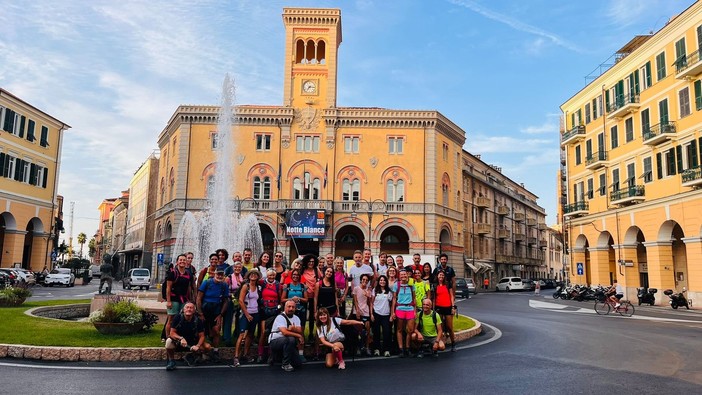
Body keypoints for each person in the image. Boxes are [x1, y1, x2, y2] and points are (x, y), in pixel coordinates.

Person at [196, 268, 229, 362]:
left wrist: (221, 314)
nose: (219, 276)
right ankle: (203, 351)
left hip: (216, 312)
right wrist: (200, 313)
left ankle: (215, 351)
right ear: (214, 274)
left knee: (216, 331)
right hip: (205, 311)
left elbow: (226, 301)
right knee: (203, 332)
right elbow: (199, 298)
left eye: (221, 275)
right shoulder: (207, 282)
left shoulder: (224, 285)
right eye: (218, 274)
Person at [165, 302, 211, 370]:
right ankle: (172, 361)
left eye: (191, 308)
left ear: (194, 311)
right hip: (179, 342)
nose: (189, 309)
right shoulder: (177, 317)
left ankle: (192, 356)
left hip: (193, 342)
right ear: (183, 310)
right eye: (187, 307)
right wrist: (181, 338)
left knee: (207, 347)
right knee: (168, 343)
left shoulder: (198, 320)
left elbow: (202, 336)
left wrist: (197, 346)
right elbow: (172, 333)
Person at [233, 269, 261, 367]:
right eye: (251, 274)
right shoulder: (246, 286)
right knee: (241, 334)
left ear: (258, 277)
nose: (253, 276)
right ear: (248, 276)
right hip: (246, 313)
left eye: (255, 274)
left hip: (255, 313)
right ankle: (236, 357)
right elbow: (241, 301)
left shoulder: (258, 287)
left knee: (250, 334)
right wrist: (247, 314)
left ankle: (246, 354)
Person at [268, 300, 305, 372]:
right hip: (275, 341)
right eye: (289, 307)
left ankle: (278, 357)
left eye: (293, 307)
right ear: (285, 308)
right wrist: (298, 335)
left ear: (295, 308)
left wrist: (293, 328)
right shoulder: (280, 317)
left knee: (298, 364)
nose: (291, 309)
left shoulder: (296, 318)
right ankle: (285, 364)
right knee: (290, 339)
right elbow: (285, 332)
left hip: (286, 342)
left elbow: (300, 330)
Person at [165, 254, 193, 343]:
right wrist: (168, 301)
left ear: (186, 262)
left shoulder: (188, 273)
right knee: (171, 318)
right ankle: (168, 338)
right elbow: (168, 288)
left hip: (184, 299)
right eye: (180, 260)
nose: (182, 261)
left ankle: (179, 337)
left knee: (183, 318)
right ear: (177, 262)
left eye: (184, 260)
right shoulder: (173, 273)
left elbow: (189, 287)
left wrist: (190, 299)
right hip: (174, 299)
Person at [258, 268, 283, 363]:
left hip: (274, 310)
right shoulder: (263, 283)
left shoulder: (277, 285)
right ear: (267, 276)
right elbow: (253, 280)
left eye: (273, 275)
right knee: (264, 332)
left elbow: (280, 297)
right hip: (264, 310)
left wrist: (280, 308)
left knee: (272, 333)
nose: (271, 277)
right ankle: (260, 354)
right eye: (269, 275)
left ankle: (270, 354)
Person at [391, 269, 416, 357]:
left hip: (410, 308)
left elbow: (414, 299)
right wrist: (393, 312)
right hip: (400, 308)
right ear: (399, 276)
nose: (403, 276)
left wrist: (415, 311)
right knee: (399, 329)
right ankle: (401, 349)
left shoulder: (411, 285)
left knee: (409, 330)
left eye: (405, 275)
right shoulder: (396, 285)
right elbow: (394, 299)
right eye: (401, 275)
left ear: (407, 275)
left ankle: (408, 348)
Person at [433, 270, 456, 352]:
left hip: (448, 307)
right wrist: (434, 309)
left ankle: (453, 343)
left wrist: (453, 307)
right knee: (440, 327)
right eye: (440, 275)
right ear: (437, 276)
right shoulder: (435, 285)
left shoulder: (448, 284)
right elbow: (434, 298)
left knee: (450, 327)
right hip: (439, 307)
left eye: (442, 275)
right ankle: (441, 343)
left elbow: (451, 296)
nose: (441, 277)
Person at [371, 274, 393, 357]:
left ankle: (386, 350)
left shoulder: (389, 292)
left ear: (386, 282)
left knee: (386, 332)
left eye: (384, 280)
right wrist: (371, 314)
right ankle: (376, 349)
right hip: (376, 313)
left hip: (386, 315)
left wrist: (391, 315)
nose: (382, 282)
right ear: (378, 282)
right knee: (376, 332)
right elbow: (371, 303)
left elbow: (391, 304)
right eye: (381, 280)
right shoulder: (375, 290)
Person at [223, 261, 244, 346]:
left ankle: (238, 335)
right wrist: (231, 296)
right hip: (230, 300)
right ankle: (227, 338)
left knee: (239, 318)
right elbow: (225, 289)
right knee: (228, 319)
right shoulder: (229, 278)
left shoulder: (242, 277)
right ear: (233, 268)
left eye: (239, 267)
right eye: (236, 267)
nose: (237, 269)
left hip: (240, 300)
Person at [301, 254, 321, 341]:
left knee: (313, 315)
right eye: (309, 261)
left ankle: (311, 333)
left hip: (314, 296)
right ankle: (301, 333)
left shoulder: (317, 270)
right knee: (303, 315)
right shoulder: (303, 270)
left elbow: (321, 280)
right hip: (304, 296)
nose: (311, 263)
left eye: (313, 262)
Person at [282, 269, 308, 333]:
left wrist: (299, 298)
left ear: (299, 276)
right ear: (291, 276)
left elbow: (306, 299)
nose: (295, 276)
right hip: (290, 310)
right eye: (294, 274)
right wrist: (291, 299)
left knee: (301, 328)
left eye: (297, 275)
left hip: (301, 310)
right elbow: (282, 299)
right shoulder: (287, 286)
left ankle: (301, 340)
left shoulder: (303, 286)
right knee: (290, 328)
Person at [352, 273, 373, 356]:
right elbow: (355, 301)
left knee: (367, 330)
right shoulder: (356, 289)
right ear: (361, 280)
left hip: (366, 312)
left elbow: (370, 302)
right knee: (358, 331)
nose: (365, 281)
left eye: (367, 280)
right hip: (357, 311)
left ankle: (367, 347)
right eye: (363, 279)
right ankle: (358, 348)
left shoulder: (369, 290)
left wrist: (368, 296)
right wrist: (357, 310)